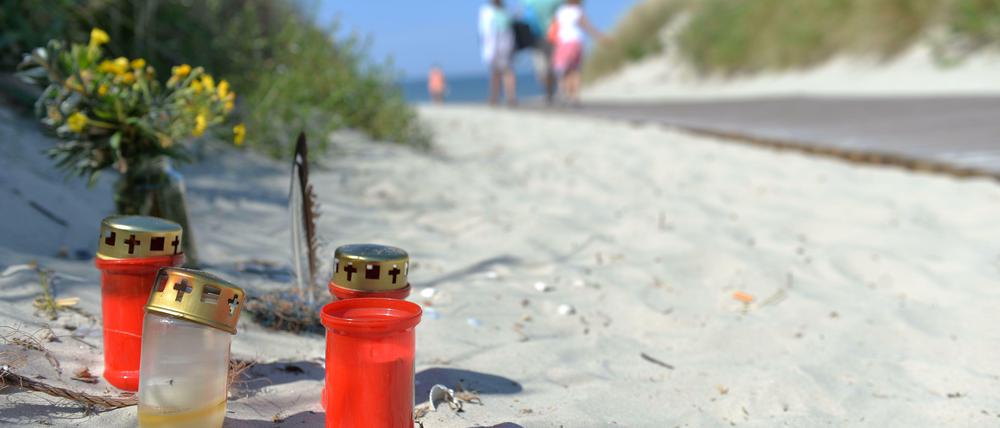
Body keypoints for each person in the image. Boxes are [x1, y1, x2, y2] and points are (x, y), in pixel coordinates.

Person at [552, 0, 605, 105]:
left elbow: (555, 28)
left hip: (564, 43)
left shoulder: (560, 12)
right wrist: (599, 37)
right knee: (575, 70)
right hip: (577, 42)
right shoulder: (577, 11)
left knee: (565, 71)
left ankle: (567, 94)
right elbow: (587, 26)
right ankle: (575, 96)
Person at [520, 0, 561, 104]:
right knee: (550, 66)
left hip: (537, 38)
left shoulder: (529, 2)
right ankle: (551, 91)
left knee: (542, 68)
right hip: (551, 36)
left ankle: (549, 92)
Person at [479, 0, 517, 106]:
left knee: (505, 71)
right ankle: (496, 97)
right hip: (496, 46)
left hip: (504, 46)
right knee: (497, 72)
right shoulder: (489, 12)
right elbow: (485, 32)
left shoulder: (505, 11)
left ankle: (509, 97)